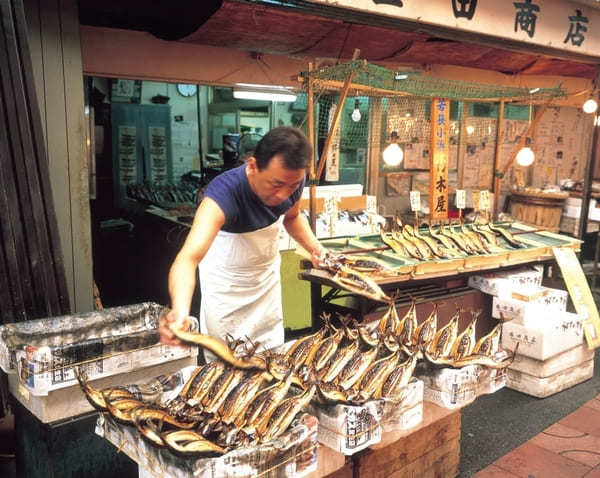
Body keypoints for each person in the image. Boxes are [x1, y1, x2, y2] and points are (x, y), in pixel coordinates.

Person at [159, 127, 326, 356]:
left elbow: (293, 217)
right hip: (227, 291)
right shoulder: (223, 194)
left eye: (293, 186)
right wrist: (179, 311)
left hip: (265, 286)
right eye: (276, 185)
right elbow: (187, 259)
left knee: (272, 360)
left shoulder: (293, 180)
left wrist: (316, 249)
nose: (283, 195)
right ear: (252, 166)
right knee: (227, 366)